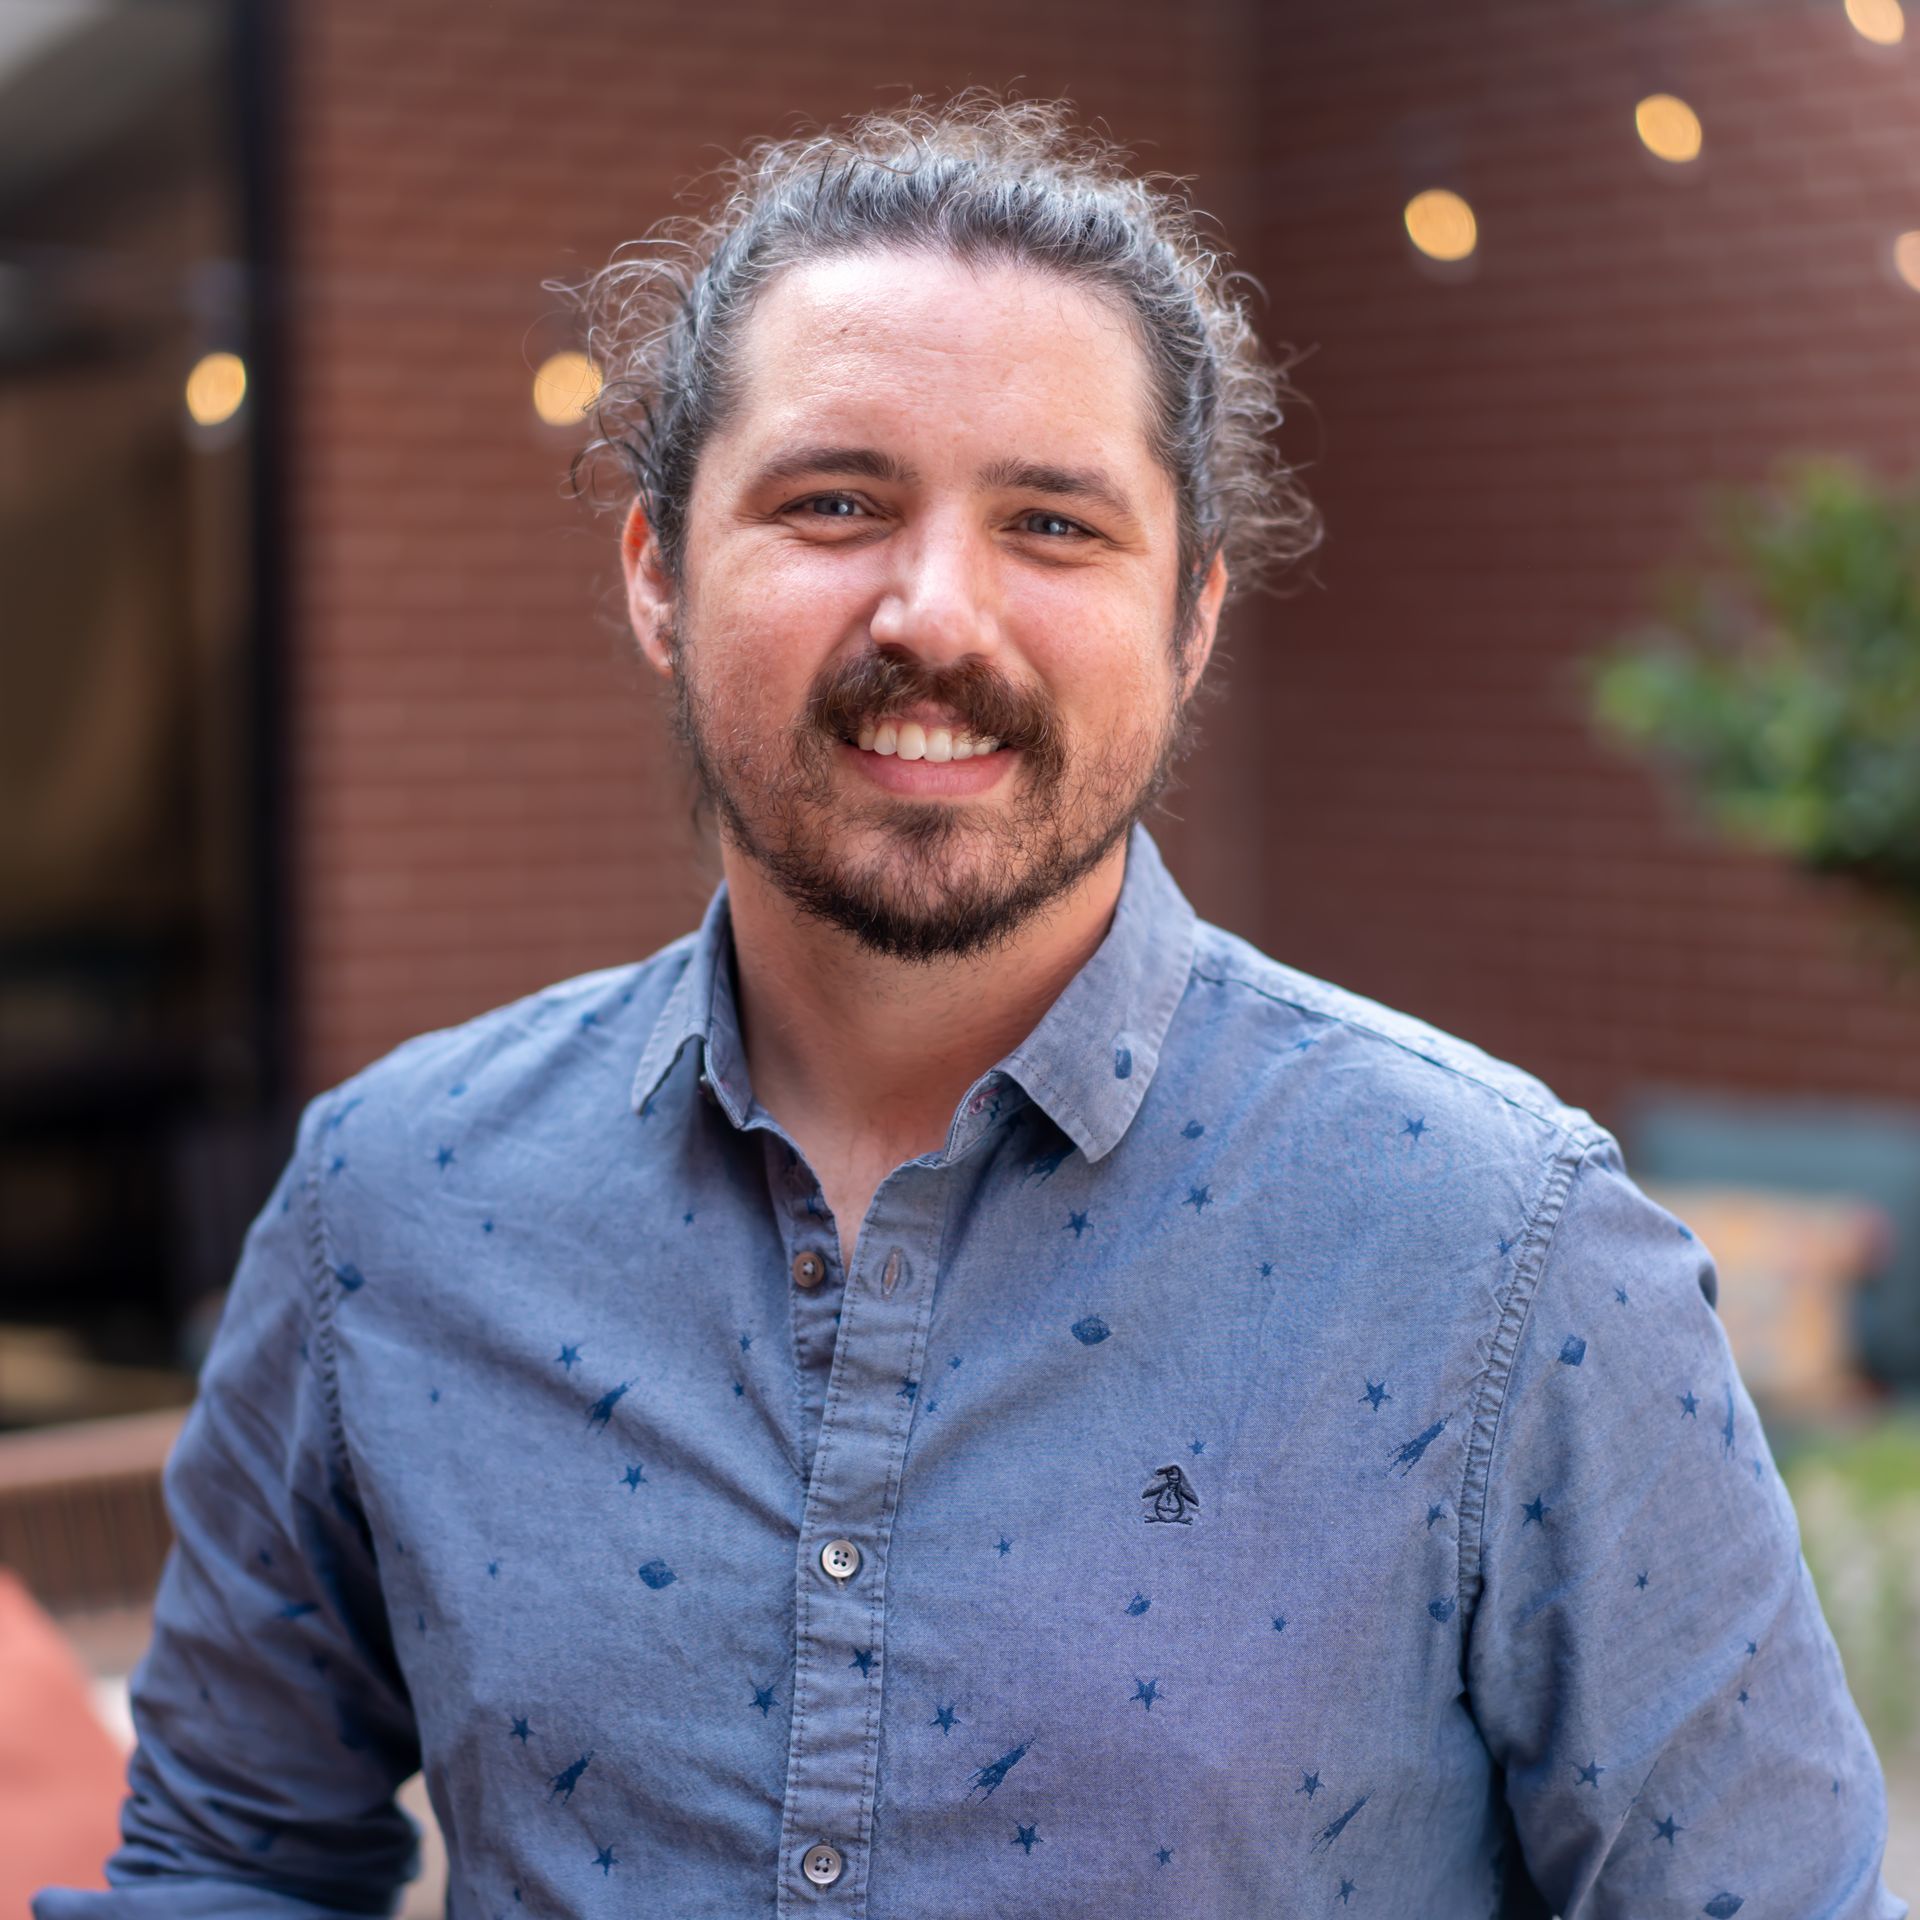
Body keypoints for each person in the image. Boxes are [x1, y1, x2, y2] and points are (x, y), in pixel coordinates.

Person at [36, 96, 1906, 1920]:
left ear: (1192, 620)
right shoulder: (394, 1204)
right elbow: (232, 1867)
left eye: (1054, 525)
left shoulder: (1508, 1254)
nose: (936, 613)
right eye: (835, 502)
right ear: (659, 578)